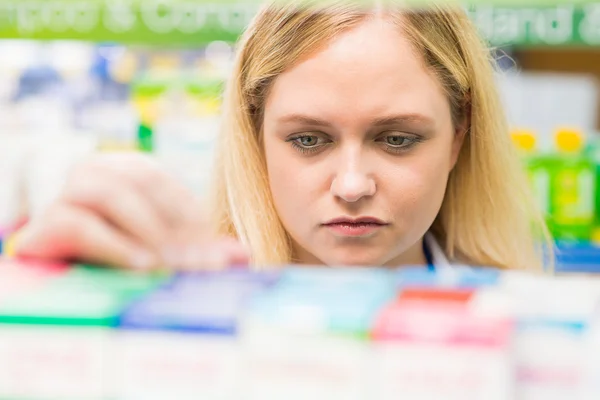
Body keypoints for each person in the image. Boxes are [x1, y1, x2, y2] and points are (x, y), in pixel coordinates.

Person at [13, 1, 552, 272]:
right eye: (309, 140)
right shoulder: (187, 308)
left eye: (396, 139)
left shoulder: (521, 329)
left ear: (459, 138)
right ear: (255, 136)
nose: (352, 184)